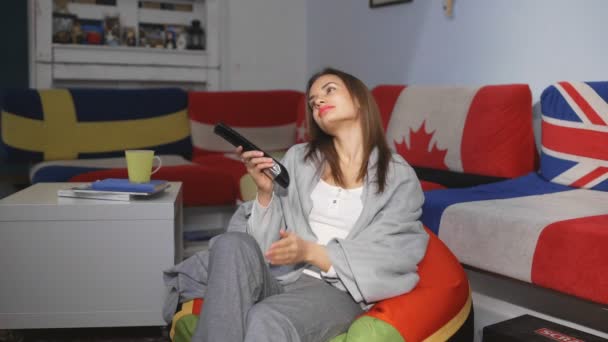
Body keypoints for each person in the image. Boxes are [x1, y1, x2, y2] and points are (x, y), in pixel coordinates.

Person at [168, 67, 429, 342]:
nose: (317, 102)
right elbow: (262, 245)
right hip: (280, 277)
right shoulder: (299, 159)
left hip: (336, 291)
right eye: (313, 100)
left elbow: (396, 253)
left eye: (329, 90)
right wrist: (265, 192)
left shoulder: (397, 175)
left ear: (360, 100)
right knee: (230, 243)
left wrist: (311, 252)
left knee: (265, 317)